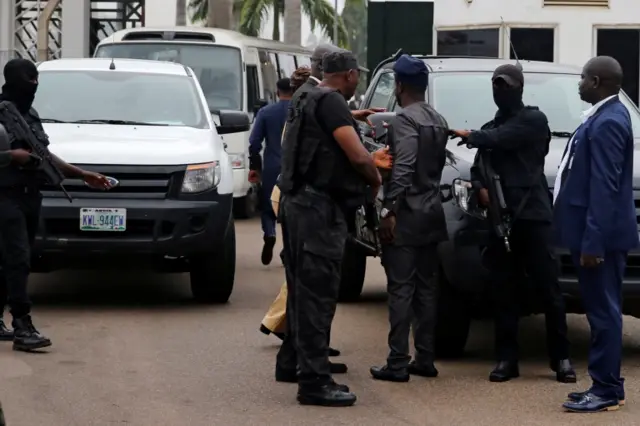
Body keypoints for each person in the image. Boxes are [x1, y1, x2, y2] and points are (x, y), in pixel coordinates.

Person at [450, 63, 575, 383]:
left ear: (519, 88)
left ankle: (561, 358)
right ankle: (507, 359)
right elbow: (479, 167)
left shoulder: (533, 120)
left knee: (549, 290)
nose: (500, 91)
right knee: (504, 291)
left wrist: (474, 136)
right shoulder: (491, 127)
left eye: (506, 85)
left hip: (533, 215)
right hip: (502, 220)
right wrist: (480, 190)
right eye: (496, 85)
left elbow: (504, 139)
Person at [277, 50, 382, 407]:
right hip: (318, 211)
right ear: (350, 75)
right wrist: (375, 178)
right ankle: (314, 382)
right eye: (357, 78)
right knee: (317, 295)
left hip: (296, 205)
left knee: (300, 290)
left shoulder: (306, 95)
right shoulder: (332, 102)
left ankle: (293, 361)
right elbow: (358, 156)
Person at [0, 58, 112, 352]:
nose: (34, 86)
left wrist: (81, 174)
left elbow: (45, 155)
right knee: (17, 259)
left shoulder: (29, 114)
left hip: (30, 195)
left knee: (11, 260)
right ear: (11, 81)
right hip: (4, 195)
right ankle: (22, 326)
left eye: (36, 80)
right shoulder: (1, 112)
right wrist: (11, 157)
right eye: (28, 80)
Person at [557, 56, 638, 413]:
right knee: (600, 310)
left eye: (582, 79)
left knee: (604, 313)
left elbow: (604, 188)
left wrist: (593, 242)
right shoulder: (603, 116)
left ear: (596, 82)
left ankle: (606, 389)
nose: (579, 84)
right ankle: (608, 385)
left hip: (600, 239)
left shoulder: (609, 121)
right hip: (592, 234)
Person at [369, 55, 449, 382]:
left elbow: (403, 167)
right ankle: (425, 358)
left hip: (407, 214)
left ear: (399, 86)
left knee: (401, 289)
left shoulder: (405, 120)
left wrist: (389, 210)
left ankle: (398, 362)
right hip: (432, 213)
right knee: (427, 290)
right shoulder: (439, 119)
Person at [248, 77, 294, 265]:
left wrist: (255, 166)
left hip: (271, 167)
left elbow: (254, 143)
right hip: (294, 167)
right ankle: (288, 249)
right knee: (292, 209)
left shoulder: (266, 112)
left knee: (268, 207)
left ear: (277, 92)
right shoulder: (299, 111)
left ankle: (270, 233)